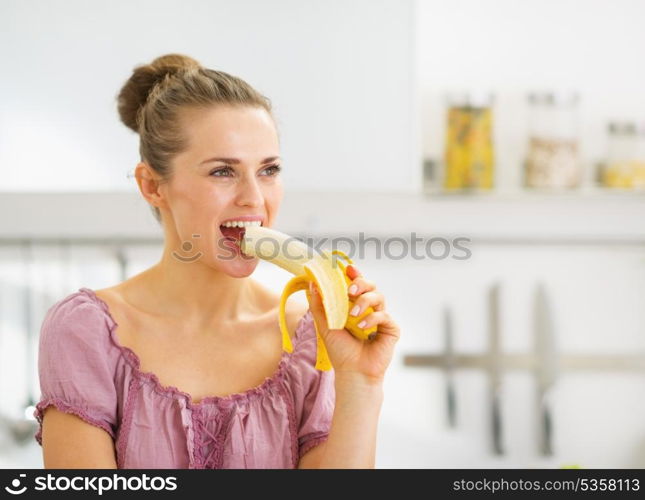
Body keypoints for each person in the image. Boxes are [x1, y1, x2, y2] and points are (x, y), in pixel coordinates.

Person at [33, 54, 401, 469]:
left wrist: (362, 382)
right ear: (152, 185)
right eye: (223, 171)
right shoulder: (87, 330)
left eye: (269, 170)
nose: (254, 198)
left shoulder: (310, 337)